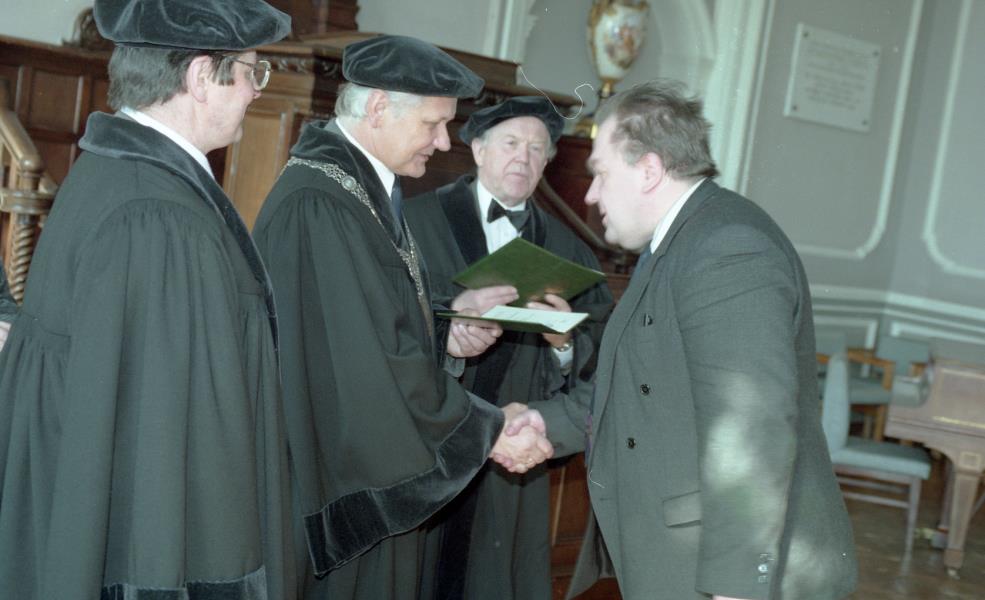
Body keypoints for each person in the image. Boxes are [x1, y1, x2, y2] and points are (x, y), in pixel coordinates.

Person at [0, 1, 297, 598]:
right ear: (201, 77)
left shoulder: (114, 172)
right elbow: (165, 442)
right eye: (251, 72)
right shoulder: (159, 214)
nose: (256, 91)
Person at [529, 80, 858, 599]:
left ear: (649, 170)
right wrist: (543, 423)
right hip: (681, 555)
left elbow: (753, 431)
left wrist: (734, 591)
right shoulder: (681, 240)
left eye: (600, 173)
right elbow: (645, 384)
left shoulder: (727, 247)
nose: (590, 194)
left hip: (725, 574)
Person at [252, 35, 553, 599]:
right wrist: (486, 431)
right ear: (378, 108)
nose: (442, 143)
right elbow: (362, 364)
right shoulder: (318, 204)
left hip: (365, 464)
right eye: (432, 124)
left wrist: (444, 334)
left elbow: (370, 319)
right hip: (338, 482)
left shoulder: (360, 190)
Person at [404, 96, 613, 600]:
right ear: (478, 150)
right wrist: (446, 333)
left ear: (547, 163)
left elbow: (601, 350)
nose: (523, 157)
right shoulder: (413, 221)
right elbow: (380, 318)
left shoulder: (568, 248)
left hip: (513, 446)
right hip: (427, 438)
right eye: (511, 143)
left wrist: (563, 343)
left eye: (537, 149)